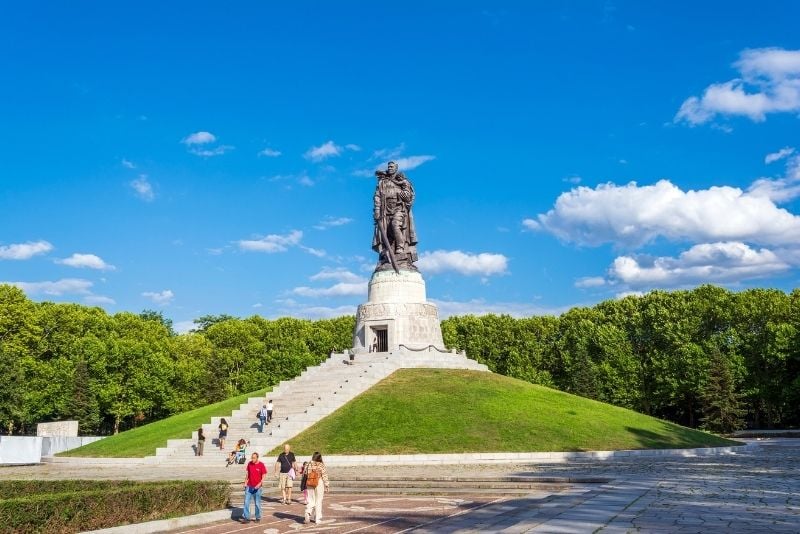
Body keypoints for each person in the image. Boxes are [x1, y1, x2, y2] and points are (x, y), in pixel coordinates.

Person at [372, 161, 418, 271]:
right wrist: (377, 209)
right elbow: (377, 196)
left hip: (399, 208)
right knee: (387, 234)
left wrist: (405, 195)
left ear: (396, 168)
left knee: (395, 225)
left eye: (392, 166)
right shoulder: (382, 182)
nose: (390, 168)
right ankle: (388, 254)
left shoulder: (402, 181)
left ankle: (400, 248)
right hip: (385, 210)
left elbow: (409, 196)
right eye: (389, 167)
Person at [240, 452, 267, 524]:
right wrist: (245, 482)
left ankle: (257, 517)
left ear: (257, 458)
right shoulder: (249, 464)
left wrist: (260, 483)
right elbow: (247, 473)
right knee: (246, 502)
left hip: (257, 487)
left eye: (254, 458)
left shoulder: (261, 465)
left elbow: (264, 475)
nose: (252, 459)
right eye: (252, 457)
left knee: (257, 503)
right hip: (249, 486)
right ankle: (247, 517)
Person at [304, 452, 330, 525]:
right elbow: (324, 475)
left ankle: (308, 512)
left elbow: (305, 473)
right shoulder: (321, 465)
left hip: (309, 483)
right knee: (318, 500)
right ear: (319, 458)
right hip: (319, 482)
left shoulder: (308, 464)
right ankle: (317, 519)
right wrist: (327, 485)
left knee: (310, 499)